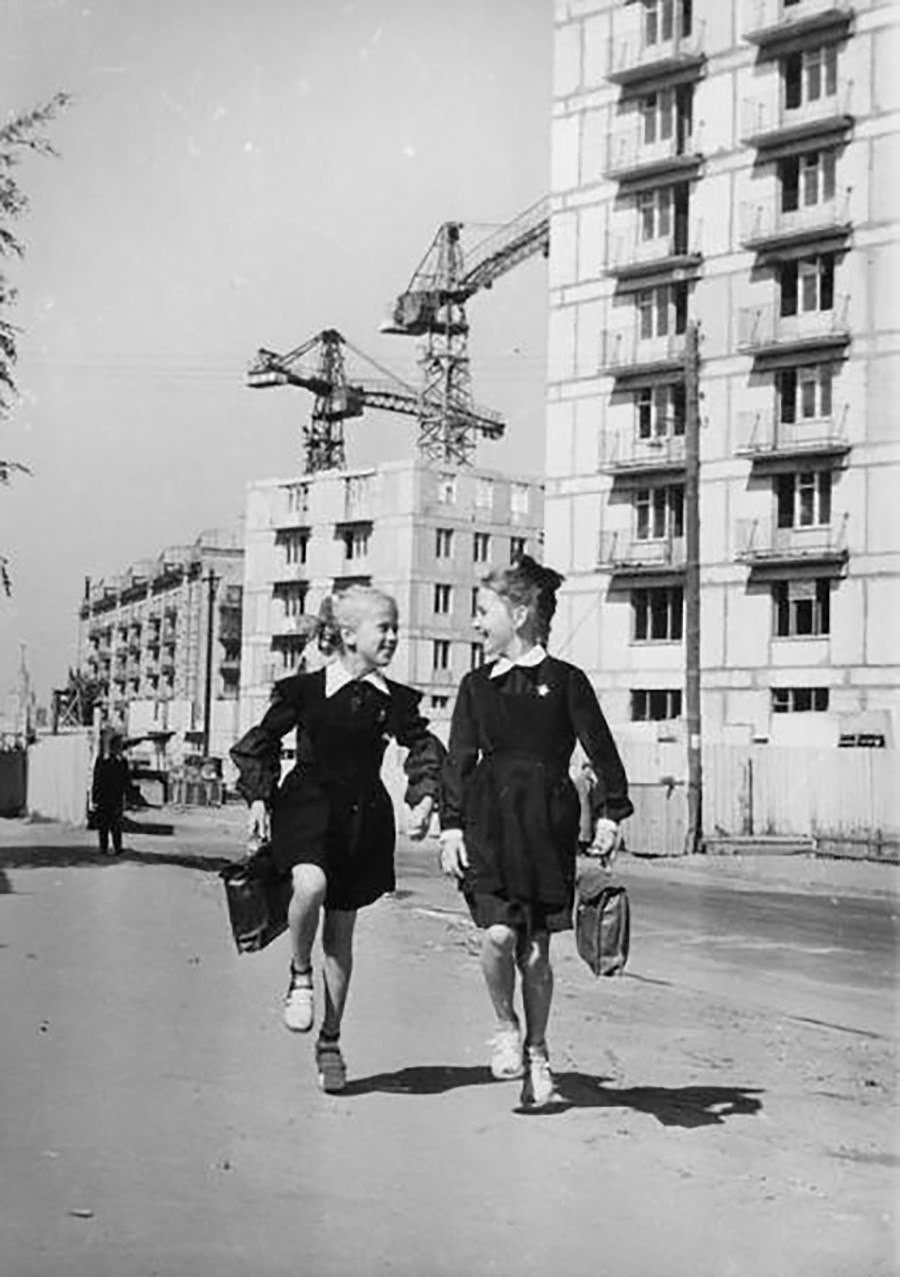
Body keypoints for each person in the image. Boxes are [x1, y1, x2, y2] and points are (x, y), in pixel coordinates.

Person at [230, 586, 444, 1094]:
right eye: (383, 628)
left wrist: (426, 795)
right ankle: (299, 975)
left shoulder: (392, 701)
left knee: (341, 937)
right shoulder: (303, 690)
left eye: (395, 628)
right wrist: (259, 797)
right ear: (349, 636)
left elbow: (423, 748)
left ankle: (330, 1040)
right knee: (309, 885)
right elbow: (260, 742)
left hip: (361, 818)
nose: (393, 637)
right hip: (306, 805)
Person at [439, 556, 633, 1110]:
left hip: (545, 830)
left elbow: (602, 750)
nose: (476, 624)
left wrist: (609, 814)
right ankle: (506, 1026)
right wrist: (451, 828)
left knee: (538, 956)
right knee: (499, 937)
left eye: (484, 612)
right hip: (488, 827)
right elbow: (458, 758)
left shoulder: (567, 682)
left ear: (519, 613)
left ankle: (538, 1052)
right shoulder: (476, 686)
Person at [91, 733, 131, 855]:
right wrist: (95, 797)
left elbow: (126, 781)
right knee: (104, 823)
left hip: (115, 797)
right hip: (104, 796)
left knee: (116, 823)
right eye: (117, 745)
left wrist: (126, 796)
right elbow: (96, 779)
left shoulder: (122, 762)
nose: (118, 748)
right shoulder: (102, 761)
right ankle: (104, 847)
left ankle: (116, 847)